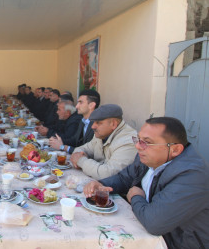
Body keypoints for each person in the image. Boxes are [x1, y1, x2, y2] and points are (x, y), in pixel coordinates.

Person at [83, 117, 209, 248]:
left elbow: (155, 223)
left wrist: (136, 197)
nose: (137, 146)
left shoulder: (192, 176)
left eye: (147, 142)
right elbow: (125, 177)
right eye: (138, 139)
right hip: (150, 234)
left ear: (175, 150)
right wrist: (101, 184)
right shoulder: (149, 157)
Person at [70, 104, 137, 180]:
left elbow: (108, 174)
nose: (93, 126)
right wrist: (79, 155)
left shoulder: (128, 141)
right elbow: (82, 149)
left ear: (113, 124)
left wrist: (81, 161)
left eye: (98, 123)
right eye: (94, 122)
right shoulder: (101, 134)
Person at [49, 89, 100, 153]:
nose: (76, 106)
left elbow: (88, 152)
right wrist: (57, 141)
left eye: (80, 102)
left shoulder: (98, 125)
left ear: (91, 105)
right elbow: (74, 140)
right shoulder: (83, 121)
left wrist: (62, 147)